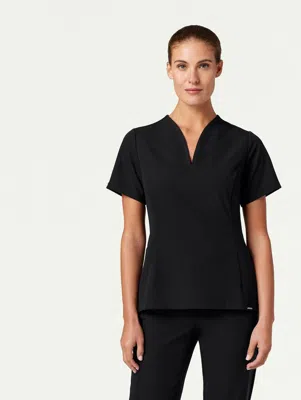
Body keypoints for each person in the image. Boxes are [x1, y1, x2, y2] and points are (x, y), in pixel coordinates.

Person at [106, 25, 282, 400]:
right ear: (169, 69)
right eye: (182, 66)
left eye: (203, 65)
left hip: (233, 308)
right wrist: (129, 317)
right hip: (159, 306)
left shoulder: (245, 146)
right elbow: (133, 236)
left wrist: (266, 320)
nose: (193, 78)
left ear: (219, 68)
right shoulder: (139, 144)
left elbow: (259, 237)